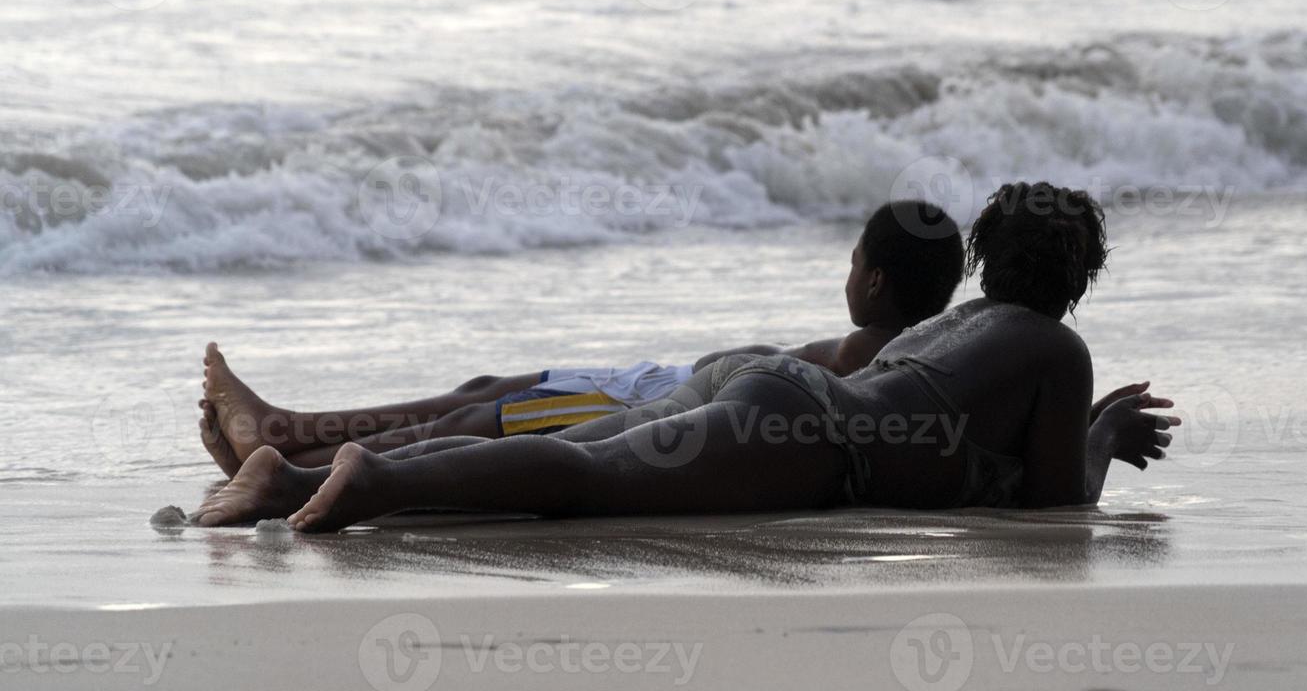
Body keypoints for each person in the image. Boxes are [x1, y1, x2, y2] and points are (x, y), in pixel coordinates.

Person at [191, 182, 1178, 530]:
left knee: (586, 446)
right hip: (810, 435)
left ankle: (290, 478)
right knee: (583, 476)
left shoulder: (951, 322)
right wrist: (1101, 434)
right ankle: (366, 478)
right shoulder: (1056, 345)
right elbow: (1060, 500)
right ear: (1077, 275)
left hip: (771, 391)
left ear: (987, 254)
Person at [198, 201, 969, 473]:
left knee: (474, 421)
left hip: (667, 402)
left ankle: (291, 452)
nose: (848, 273)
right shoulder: (913, 346)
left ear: (871, 282)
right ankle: (291, 438)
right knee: (483, 396)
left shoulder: (875, 350)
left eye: (852, 261)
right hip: (668, 381)